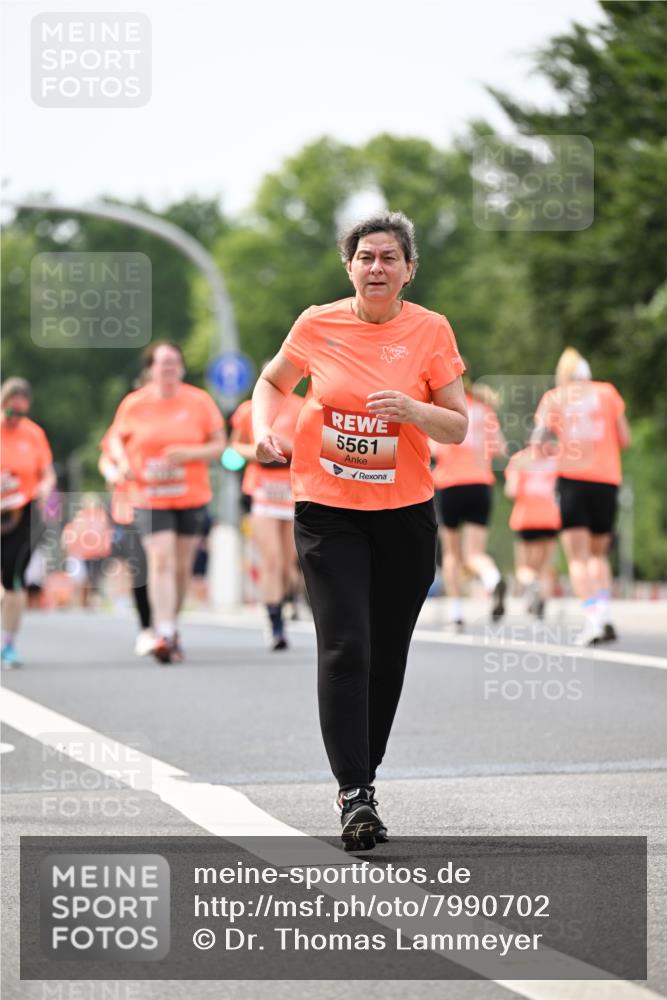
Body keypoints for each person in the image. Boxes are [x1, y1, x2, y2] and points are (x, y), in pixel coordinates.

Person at [251, 211, 467, 850]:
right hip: (327, 506)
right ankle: (355, 793)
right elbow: (272, 380)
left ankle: (364, 773)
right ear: (349, 266)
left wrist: (412, 410)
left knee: (387, 652)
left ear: (409, 270)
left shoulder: (430, 331)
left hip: (403, 513)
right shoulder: (317, 323)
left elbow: (457, 426)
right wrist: (266, 427)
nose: (377, 267)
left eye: (389, 258)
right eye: (366, 257)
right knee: (345, 643)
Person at [108, 342, 226, 663]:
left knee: (182, 567)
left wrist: (190, 453)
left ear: (182, 367)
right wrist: (121, 462)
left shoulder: (199, 402)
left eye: (174, 362)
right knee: (160, 560)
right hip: (149, 496)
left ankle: (170, 624)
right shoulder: (135, 404)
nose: (169, 368)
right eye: (162, 363)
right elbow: (115, 440)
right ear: (151, 369)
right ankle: (165, 632)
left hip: (191, 494)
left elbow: (219, 445)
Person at [533, 347, 630, 646]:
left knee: (578, 558)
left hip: (573, 480)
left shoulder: (555, 396)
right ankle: (606, 614)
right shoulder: (608, 392)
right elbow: (625, 439)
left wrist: (553, 450)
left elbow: (537, 441)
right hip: (607, 479)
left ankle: (593, 619)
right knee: (599, 555)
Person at [230, 391, 304, 649]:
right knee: (270, 558)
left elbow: (314, 446)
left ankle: (286, 600)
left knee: (288, 564)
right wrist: (259, 450)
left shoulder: (302, 406)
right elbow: (235, 446)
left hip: (293, 488)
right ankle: (275, 624)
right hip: (261, 487)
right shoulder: (249, 409)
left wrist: (287, 446)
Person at [431, 376, 507, 630]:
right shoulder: (484, 409)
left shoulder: (446, 410)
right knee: (474, 553)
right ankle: (492, 579)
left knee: (452, 553)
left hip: (451, 484)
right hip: (480, 484)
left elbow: (434, 448)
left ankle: (456, 615)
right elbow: (500, 447)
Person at [1, 377, 56, 667]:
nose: (15, 420)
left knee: (13, 577)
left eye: (21, 414)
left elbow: (47, 472)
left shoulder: (33, 435)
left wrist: (46, 488)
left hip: (22, 514)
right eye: (11, 413)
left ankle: (7, 643)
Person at [98, 426, 155, 656]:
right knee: (138, 565)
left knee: (162, 566)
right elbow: (105, 459)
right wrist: (113, 473)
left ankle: (164, 623)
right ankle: (146, 626)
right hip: (129, 511)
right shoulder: (127, 421)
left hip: (164, 507)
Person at [504, 440, 561, 619]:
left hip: (527, 518)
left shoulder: (520, 460)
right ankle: (542, 599)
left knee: (524, 566)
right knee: (545, 565)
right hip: (550, 518)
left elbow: (511, 491)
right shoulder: (556, 458)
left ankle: (532, 585)